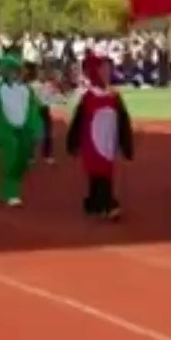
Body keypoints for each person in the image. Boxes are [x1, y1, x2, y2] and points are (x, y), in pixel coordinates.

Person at [66, 52, 133, 219]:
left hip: (108, 141)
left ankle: (94, 202)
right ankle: (109, 204)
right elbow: (78, 121)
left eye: (109, 68)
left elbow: (123, 122)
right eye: (103, 69)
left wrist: (126, 145)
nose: (107, 72)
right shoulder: (88, 97)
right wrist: (72, 143)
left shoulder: (114, 96)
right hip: (92, 142)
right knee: (100, 171)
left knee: (103, 173)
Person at [0, 52, 43, 207]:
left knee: (21, 163)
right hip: (6, 131)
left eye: (15, 70)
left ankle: (7, 192)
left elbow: (32, 110)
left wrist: (34, 129)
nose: (12, 73)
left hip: (22, 131)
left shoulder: (26, 90)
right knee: (9, 161)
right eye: (9, 70)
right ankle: (10, 194)